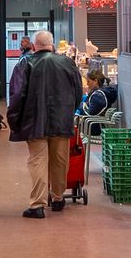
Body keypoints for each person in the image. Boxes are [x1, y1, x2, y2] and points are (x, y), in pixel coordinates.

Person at [7, 30, 82, 218]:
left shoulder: (25, 64)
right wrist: (68, 111)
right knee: (60, 161)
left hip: (34, 122)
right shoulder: (68, 63)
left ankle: (38, 205)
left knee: (38, 161)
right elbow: (78, 93)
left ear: (34, 46)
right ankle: (57, 198)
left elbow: (17, 95)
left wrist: (14, 120)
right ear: (52, 44)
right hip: (61, 120)